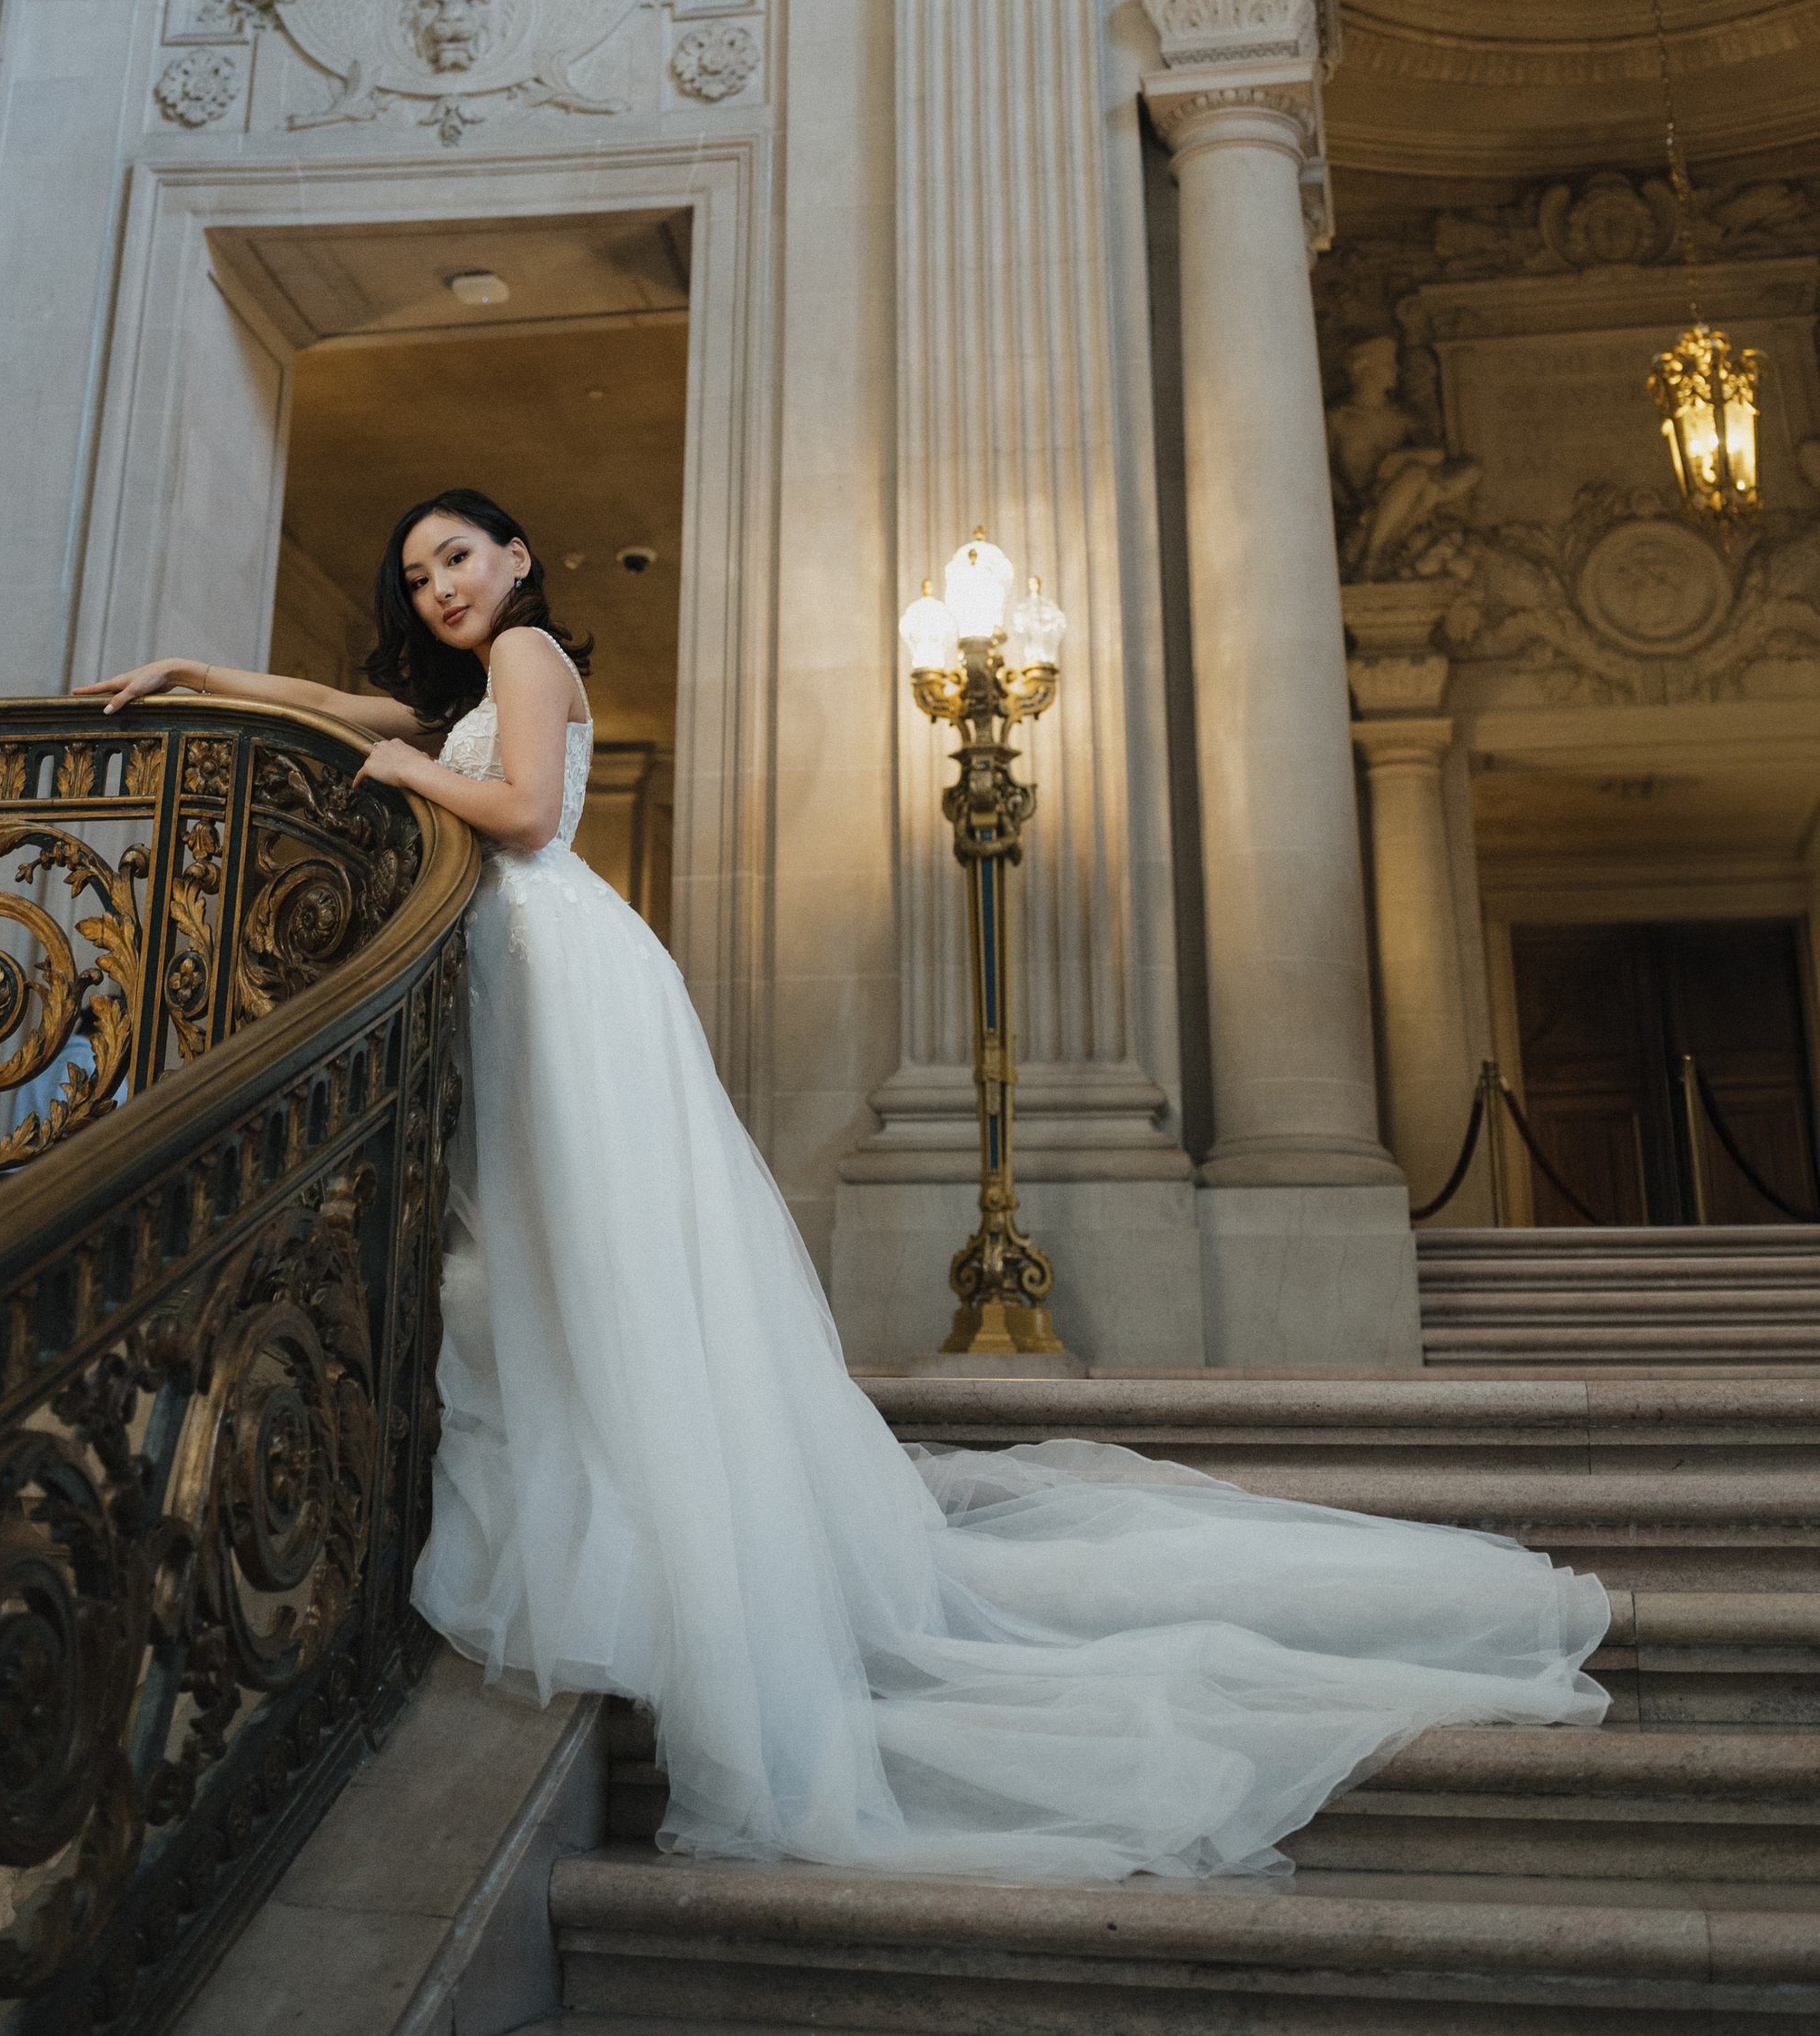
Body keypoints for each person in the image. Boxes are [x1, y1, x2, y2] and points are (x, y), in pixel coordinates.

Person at [81, 487, 1606, 1883]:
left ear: (518, 558)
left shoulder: (532, 659)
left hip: (567, 974)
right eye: (416, 577)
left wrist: (417, 769)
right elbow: (316, 697)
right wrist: (189, 675)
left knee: (608, 1254)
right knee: (534, 1256)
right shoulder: (453, 687)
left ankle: (680, 1535)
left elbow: (532, 815)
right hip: (509, 980)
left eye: (457, 559)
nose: (438, 590)